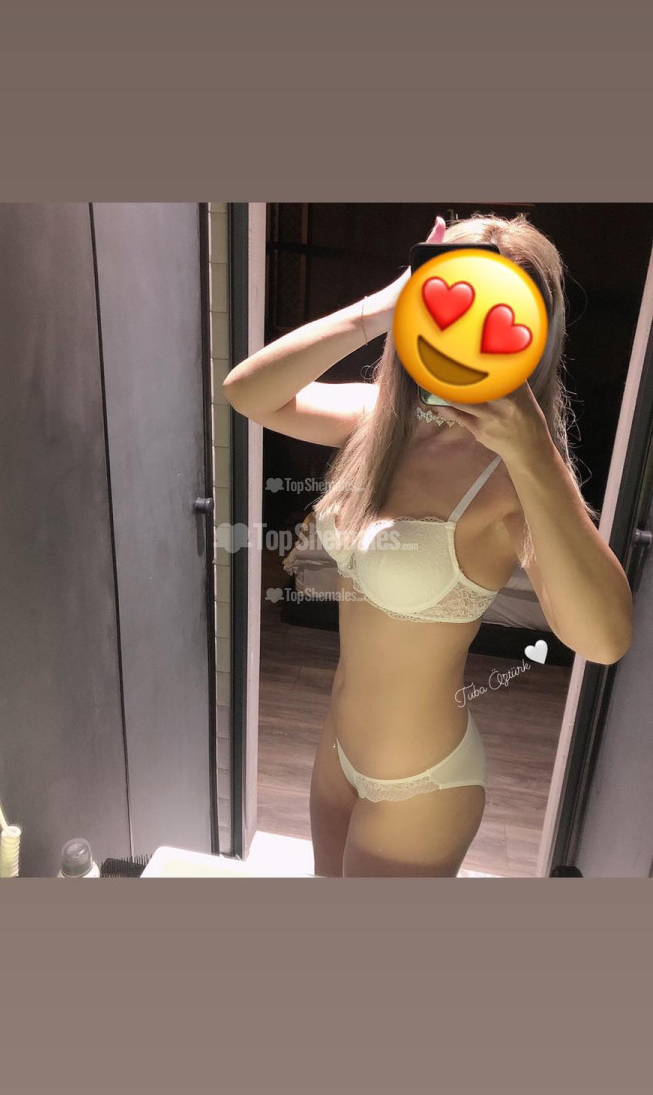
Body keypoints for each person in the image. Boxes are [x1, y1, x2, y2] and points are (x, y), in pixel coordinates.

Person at [223, 212, 633, 878]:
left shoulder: (510, 480)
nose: (462, 332)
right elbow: (247, 393)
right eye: (444, 304)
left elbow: (605, 640)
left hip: (421, 787)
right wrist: (378, 310)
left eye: (490, 317)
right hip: (337, 750)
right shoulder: (382, 422)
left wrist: (535, 452)